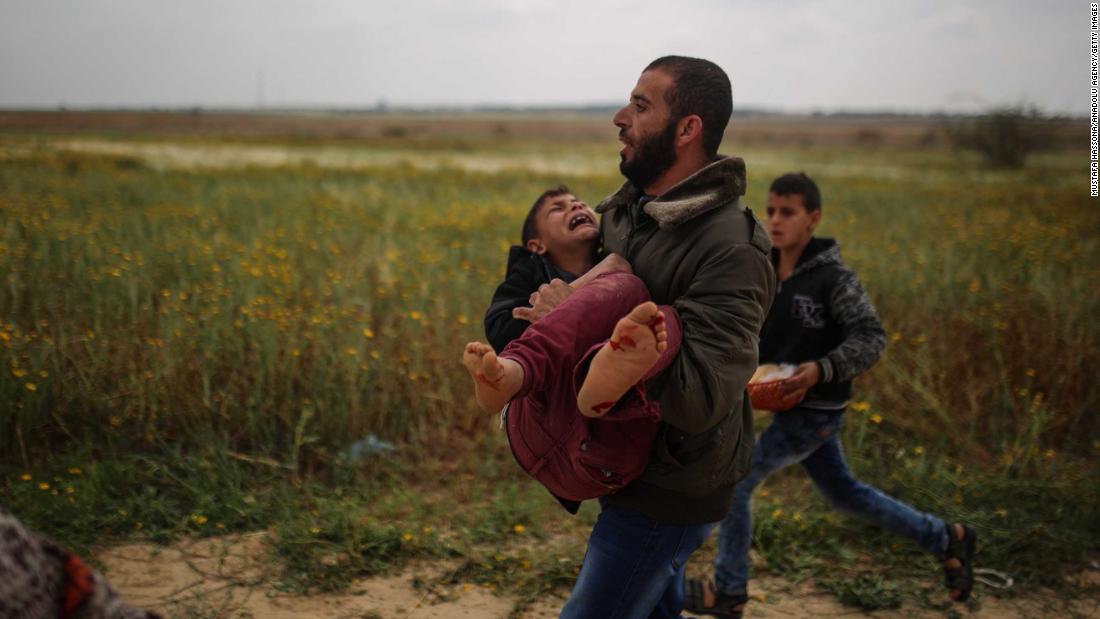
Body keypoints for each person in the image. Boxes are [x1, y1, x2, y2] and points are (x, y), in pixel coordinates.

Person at [520, 56, 775, 618]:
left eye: (640, 106)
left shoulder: (729, 248)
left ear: (688, 130)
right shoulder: (631, 212)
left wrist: (598, 335)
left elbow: (703, 394)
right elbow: (567, 295)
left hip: (671, 487)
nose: (619, 117)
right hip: (622, 464)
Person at [683, 172, 977, 619]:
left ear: (813, 219)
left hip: (817, 408)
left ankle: (729, 593)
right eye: (772, 211)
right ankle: (946, 537)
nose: (776, 221)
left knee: (737, 483)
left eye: (789, 212)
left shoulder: (832, 279)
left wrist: (822, 369)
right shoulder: (765, 268)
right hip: (785, 402)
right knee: (845, 494)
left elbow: (871, 336)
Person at [464, 186, 679, 508]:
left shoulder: (620, 274)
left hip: (603, 457)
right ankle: (512, 374)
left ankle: (595, 380)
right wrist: (595, 280)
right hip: (538, 421)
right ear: (537, 245)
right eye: (556, 208)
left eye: (577, 201)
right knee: (628, 285)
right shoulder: (530, 278)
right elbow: (502, 329)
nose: (575, 204)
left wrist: (571, 302)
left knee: (667, 320)